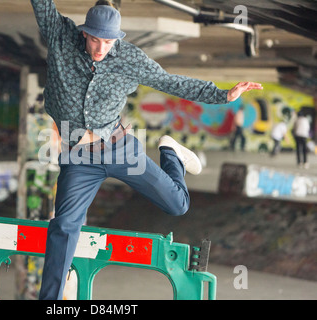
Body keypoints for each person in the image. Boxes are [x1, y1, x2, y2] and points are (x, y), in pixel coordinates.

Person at [30, 0, 263, 300]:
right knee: (63, 226)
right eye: (95, 40)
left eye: (108, 42)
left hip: (119, 148)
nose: (101, 49)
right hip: (78, 157)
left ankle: (171, 153)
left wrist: (222, 94)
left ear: (117, 39)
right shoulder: (60, 36)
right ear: (84, 33)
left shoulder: (130, 59)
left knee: (178, 205)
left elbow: (170, 81)